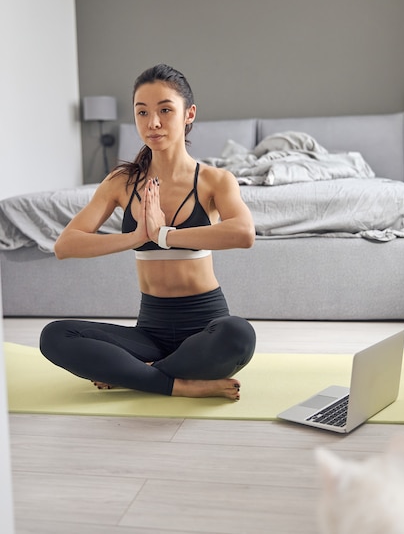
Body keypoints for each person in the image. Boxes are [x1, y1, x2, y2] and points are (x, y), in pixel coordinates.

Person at [40, 64, 256, 401]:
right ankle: (176, 382)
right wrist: (137, 236)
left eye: (165, 110)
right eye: (142, 112)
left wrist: (164, 234)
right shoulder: (121, 182)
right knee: (54, 336)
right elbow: (65, 245)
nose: (152, 123)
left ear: (189, 114)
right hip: (149, 331)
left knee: (239, 334)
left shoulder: (214, 180)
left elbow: (244, 233)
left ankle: (138, 375)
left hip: (205, 327)